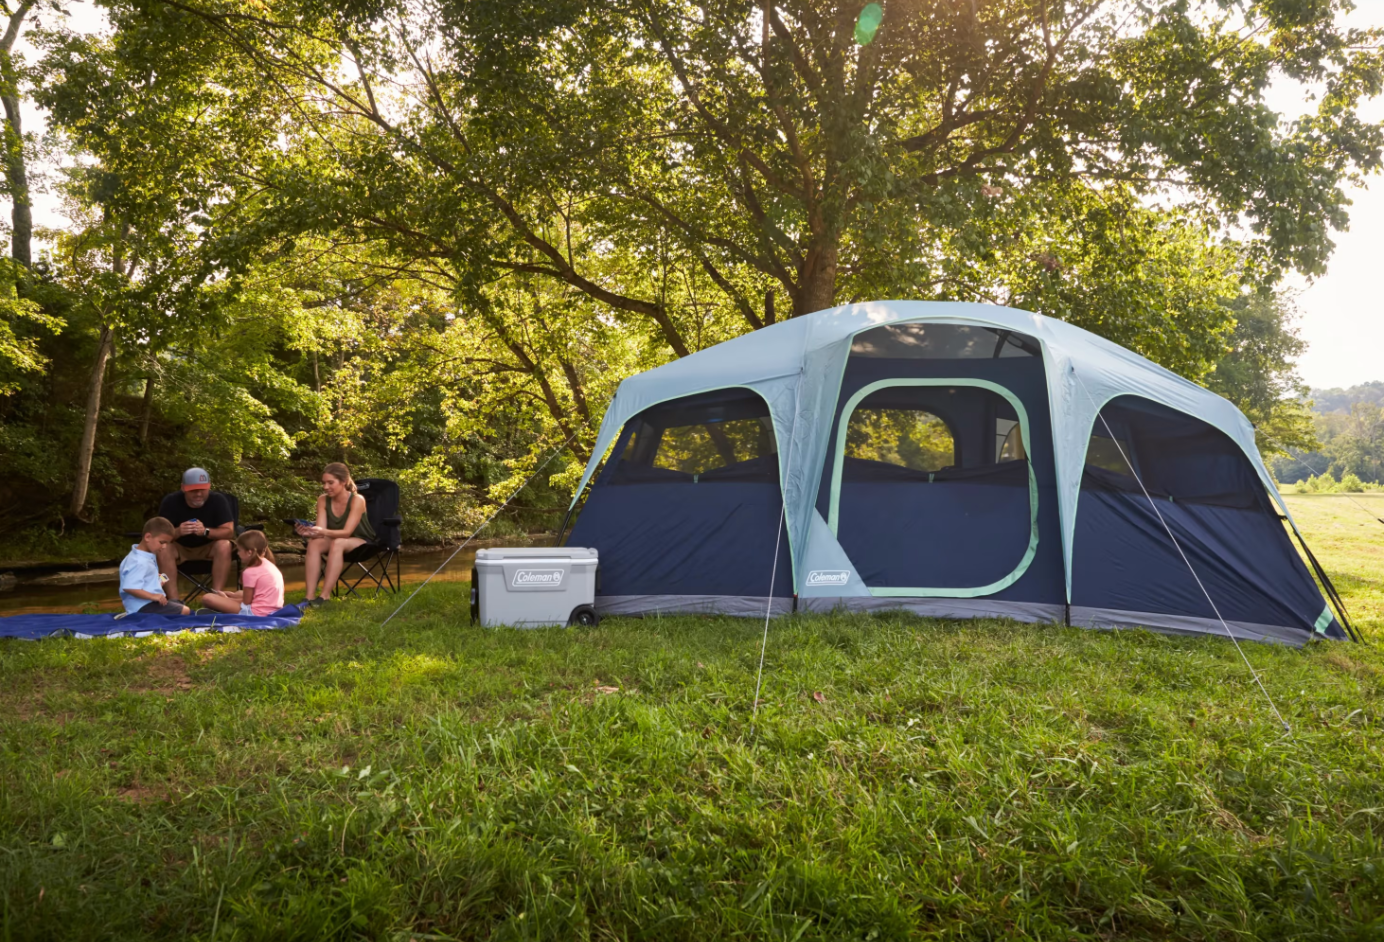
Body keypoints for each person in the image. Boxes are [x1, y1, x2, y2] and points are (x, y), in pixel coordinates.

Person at [297, 462, 376, 606]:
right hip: (334, 537)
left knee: (338, 542)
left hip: (360, 540)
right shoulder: (322, 499)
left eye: (330, 482)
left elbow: (346, 533)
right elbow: (321, 530)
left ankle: (325, 596)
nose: (325, 487)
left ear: (343, 482)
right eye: (324, 483)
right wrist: (309, 532)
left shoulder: (357, 500)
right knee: (314, 544)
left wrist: (322, 531)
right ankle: (309, 597)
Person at [156, 467, 235, 600]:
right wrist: (178, 531)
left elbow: (229, 532)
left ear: (209, 487)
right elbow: (158, 536)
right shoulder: (170, 501)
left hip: (209, 548)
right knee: (163, 548)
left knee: (224, 545)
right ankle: (174, 602)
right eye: (193, 490)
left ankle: (216, 597)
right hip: (179, 549)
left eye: (202, 489)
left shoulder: (218, 500)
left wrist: (205, 531)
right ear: (183, 488)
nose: (198, 494)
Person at [199, 531, 285, 616]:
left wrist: (225, 599)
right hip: (273, 609)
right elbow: (256, 596)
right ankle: (224, 606)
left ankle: (223, 611)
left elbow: (246, 603)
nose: (238, 554)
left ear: (249, 552)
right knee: (238, 593)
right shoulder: (269, 564)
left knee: (208, 598)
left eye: (239, 550)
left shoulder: (250, 572)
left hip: (256, 613)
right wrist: (232, 596)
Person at [119, 517, 192, 616]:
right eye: (162, 542)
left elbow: (142, 581)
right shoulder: (139, 561)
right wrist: (153, 596)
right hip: (143, 606)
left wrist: (157, 582)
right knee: (185, 610)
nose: (164, 547)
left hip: (148, 603)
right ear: (148, 537)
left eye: (167, 543)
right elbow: (129, 587)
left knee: (177, 604)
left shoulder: (143, 556)